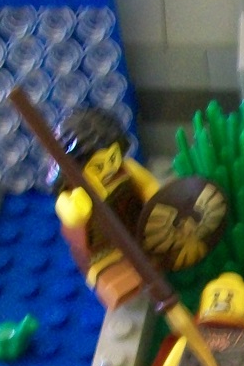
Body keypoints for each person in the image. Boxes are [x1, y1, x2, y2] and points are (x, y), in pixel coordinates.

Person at [49, 108, 160, 308]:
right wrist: (80, 201)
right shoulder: (71, 195)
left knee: (159, 260)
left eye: (113, 158)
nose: (109, 168)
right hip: (102, 252)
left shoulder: (126, 169)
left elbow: (149, 187)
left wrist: (156, 206)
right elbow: (72, 215)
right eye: (98, 167)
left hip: (136, 233)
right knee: (119, 282)